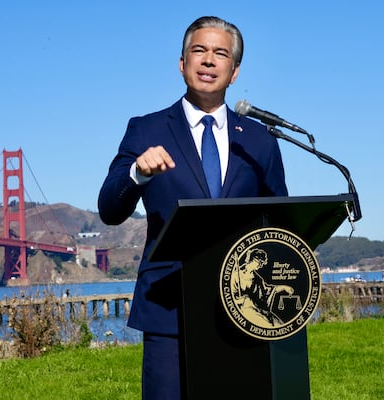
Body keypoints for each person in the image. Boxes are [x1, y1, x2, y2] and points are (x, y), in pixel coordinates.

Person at [98, 16, 288, 399]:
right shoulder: (145, 130)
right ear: (181, 63)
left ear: (234, 73)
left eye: (220, 54)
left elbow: (280, 220)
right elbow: (109, 208)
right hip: (169, 310)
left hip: (244, 309)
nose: (208, 60)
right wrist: (137, 173)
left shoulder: (260, 139)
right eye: (198, 51)